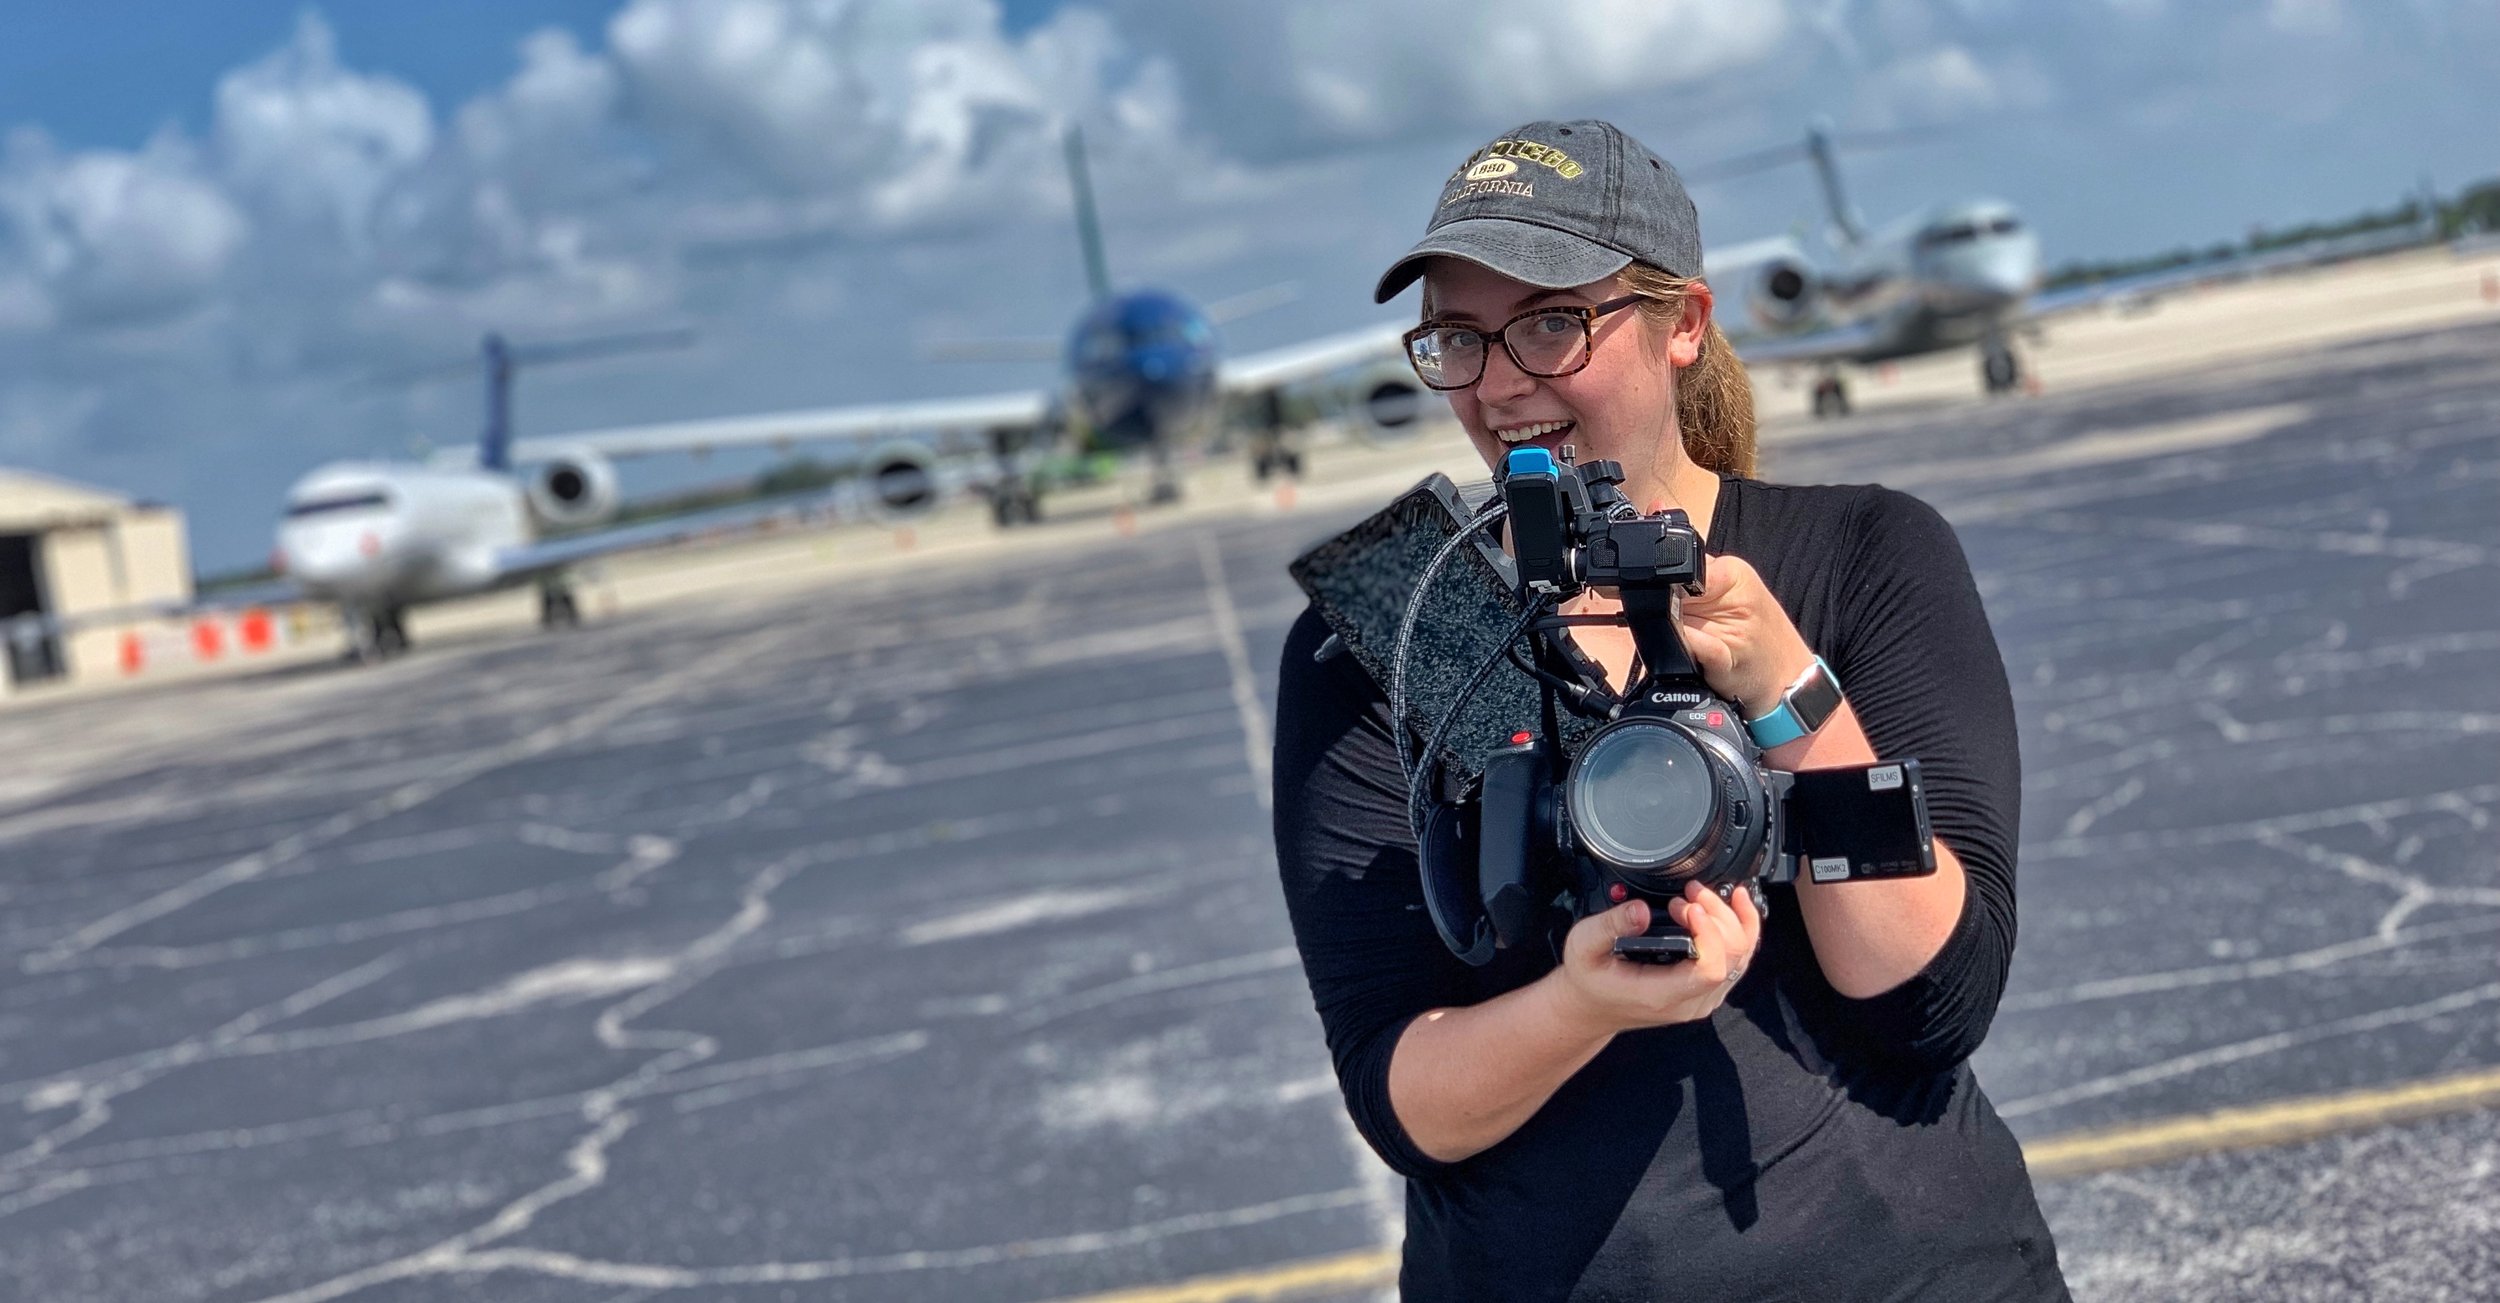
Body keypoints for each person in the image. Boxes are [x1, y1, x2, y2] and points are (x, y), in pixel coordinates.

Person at [1272, 120, 2070, 1301]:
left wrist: (1785, 686)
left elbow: (1930, 1003)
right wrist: (1579, 1003)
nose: (1498, 383)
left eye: (1550, 322)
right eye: (1457, 338)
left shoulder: (1861, 553)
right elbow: (1403, 1100)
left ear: (1684, 323)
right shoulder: (1396, 625)